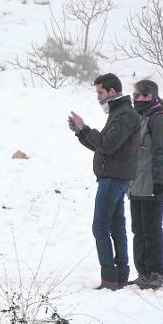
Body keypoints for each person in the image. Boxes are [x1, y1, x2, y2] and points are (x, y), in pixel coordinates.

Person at [68, 73, 141, 290]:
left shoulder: (125, 114)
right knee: (116, 226)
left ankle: (110, 278)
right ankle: (119, 276)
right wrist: (82, 133)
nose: (98, 97)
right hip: (113, 178)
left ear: (111, 91)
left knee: (100, 227)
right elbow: (104, 146)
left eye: (100, 92)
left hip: (113, 179)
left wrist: (86, 128)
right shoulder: (118, 112)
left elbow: (107, 145)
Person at [128, 80, 163, 289]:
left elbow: (161, 153)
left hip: (153, 185)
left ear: (148, 96)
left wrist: (157, 181)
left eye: (136, 95)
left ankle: (156, 273)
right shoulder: (140, 117)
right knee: (138, 229)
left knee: (152, 229)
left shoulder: (159, 119)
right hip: (136, 184)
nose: (134, 99)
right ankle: (143, 272)